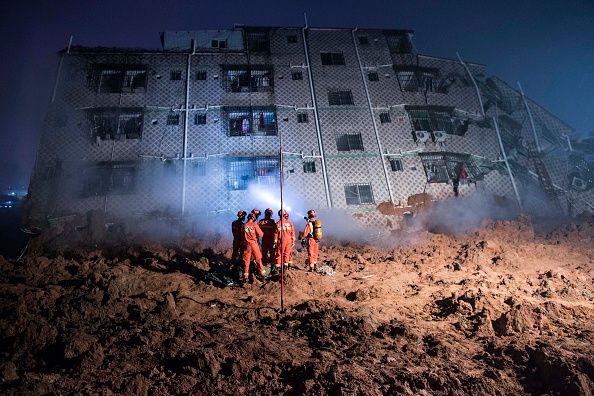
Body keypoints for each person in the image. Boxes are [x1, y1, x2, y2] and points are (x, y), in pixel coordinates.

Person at [241, 212, 266, 283]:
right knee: (258, 259)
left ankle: (245, 277)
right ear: (254, 218)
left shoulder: (244, 225)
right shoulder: (255, 224)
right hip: (254, 244)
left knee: (246, 261)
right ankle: (263, 275)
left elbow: (241, 236)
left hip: (247, 245)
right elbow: (261, 234)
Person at [273, 209, 295, 273]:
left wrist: (275, 242)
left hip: (281, 241)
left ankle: (277, 268)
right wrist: (293, 241)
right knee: (287, 253)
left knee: (279, 254)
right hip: (289, 240)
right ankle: (285, 268)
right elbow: (292, 232)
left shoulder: (278, 224)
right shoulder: (290, 223)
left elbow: (275, 234)